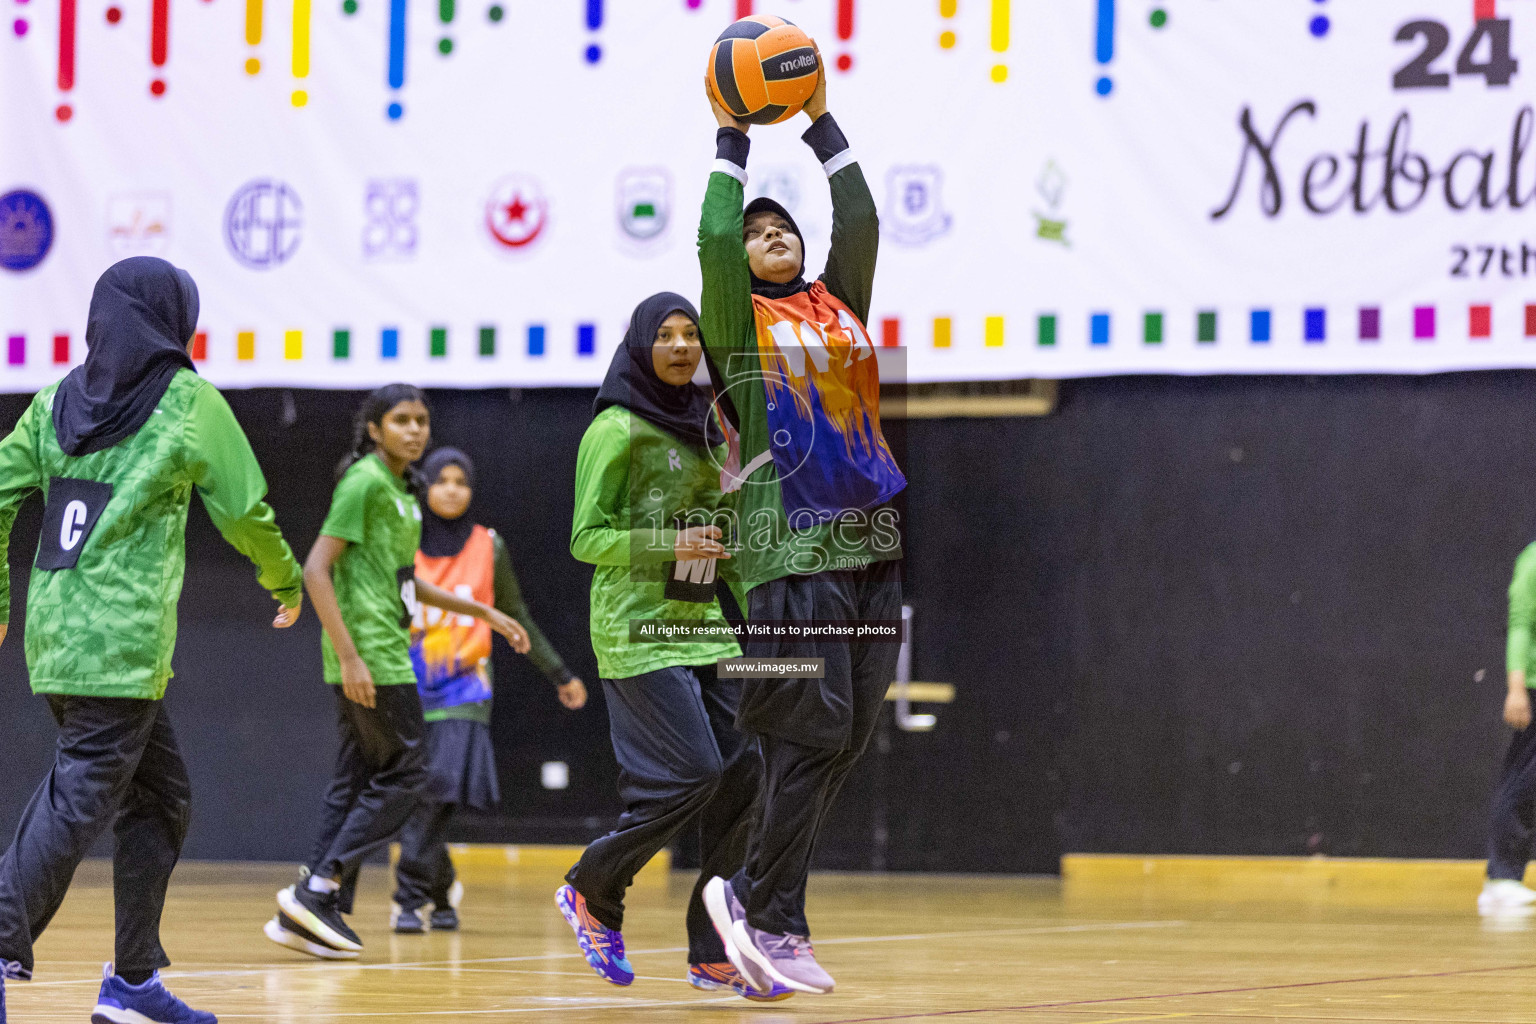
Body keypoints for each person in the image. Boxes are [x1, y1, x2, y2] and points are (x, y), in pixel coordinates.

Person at [0, 257, 304, 1024]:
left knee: (162, 799)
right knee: (78, 801)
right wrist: (286, 581)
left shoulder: (52, 403)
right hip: (121, 645)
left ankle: (132, 986)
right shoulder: (187, 402)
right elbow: (245, 510)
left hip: (57, 638)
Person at [696, 51, 907, 996]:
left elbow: (859, 217)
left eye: (782, 226)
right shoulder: (739, 327)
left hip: (870, 541)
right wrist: (732, 145)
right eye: (757, 230)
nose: (771, 234)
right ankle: (759, 910)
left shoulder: (838, 305)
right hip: (789, 543)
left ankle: (762, 909)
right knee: (806, 734)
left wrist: (822, 123)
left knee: (853, 734)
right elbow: (710, 240)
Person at [555, 293, 785, 1002]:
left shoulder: (715, 426)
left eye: (692, 334)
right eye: (667, 335)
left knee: (745, 772)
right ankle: (593, 888)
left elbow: (723, 540)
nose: (682, 346)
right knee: (694, 772)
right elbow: (584, 539)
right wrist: (668, 544)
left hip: (701, 619)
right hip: (633, 623)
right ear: (640, 347)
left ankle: (712, 951)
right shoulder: (616, 429)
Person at [263, 385, 531, 961]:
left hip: (384, 649)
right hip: (374, 656)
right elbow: (316, 568)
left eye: (422, 421)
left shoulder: (405, 489)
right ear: (375, 429)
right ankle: (320, 885)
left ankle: (308, 907)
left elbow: (405, 580)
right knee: (410, 775)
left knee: (355, 778)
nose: (414, 430)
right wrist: (351, 656)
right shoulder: (363, 481)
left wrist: (482, 610)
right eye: (401, 420)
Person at [389, 446, 588, 934]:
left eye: (461, 480)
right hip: (407, 684)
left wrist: (560, 673)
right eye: (441, 479)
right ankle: (441, 890)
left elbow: (516, 614)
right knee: (418, 797)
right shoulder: (400, 539)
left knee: (437, 789)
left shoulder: (489, 545)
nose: (452, 488)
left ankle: (408, 897)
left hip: (465, 690)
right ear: (424, 486)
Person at [1481, 540, 1536, 913]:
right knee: (1523, 781)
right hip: (1534, 687)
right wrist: (1516, 688)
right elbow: (1520, 624)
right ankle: (1501, 878)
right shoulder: (1533, 561)